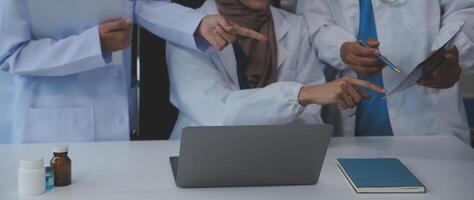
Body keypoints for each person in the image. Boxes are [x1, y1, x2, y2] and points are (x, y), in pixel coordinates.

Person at [0, 0, 266, 144]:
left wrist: (198, 25)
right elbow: (10, 54)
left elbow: (141, 5)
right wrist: (93, 45)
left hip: (114, 120)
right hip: (49, 124)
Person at [166, 0, 386, 139]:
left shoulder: (296, 26)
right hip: (205, 156)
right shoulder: (188, 30)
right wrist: (302, 95)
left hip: (282, 156)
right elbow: (217, 113)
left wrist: (305, 102)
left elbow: (310, 118)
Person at [304, 0, 474, 143]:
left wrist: (452, 51)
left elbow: (465, 10)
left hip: (428, 110)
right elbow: (315, 18)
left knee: (438, 178)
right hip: (355, 114)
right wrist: (340, 48)